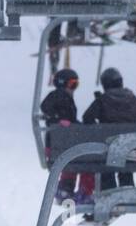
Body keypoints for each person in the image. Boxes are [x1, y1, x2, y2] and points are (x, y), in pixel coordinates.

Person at [40, 67, 95, 207]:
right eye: (72, 84)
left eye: (76, 84)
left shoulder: (65, 98)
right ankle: (82, 190)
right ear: (62, 83)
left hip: (59, 146)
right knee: (86, 158)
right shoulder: (58, 95)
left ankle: (66, 189)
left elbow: (67, 118)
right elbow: (46, 107)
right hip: (59, 144)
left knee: (72, 159)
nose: (74, 88)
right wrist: (58, 120)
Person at [83, 67, 136, 190]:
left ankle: (108, 190)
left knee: (108, 158)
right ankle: (127, 186)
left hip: (108, 150)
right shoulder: (133, 99)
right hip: (132, 149)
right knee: (124, 158)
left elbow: (87, 118)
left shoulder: (102, 100)